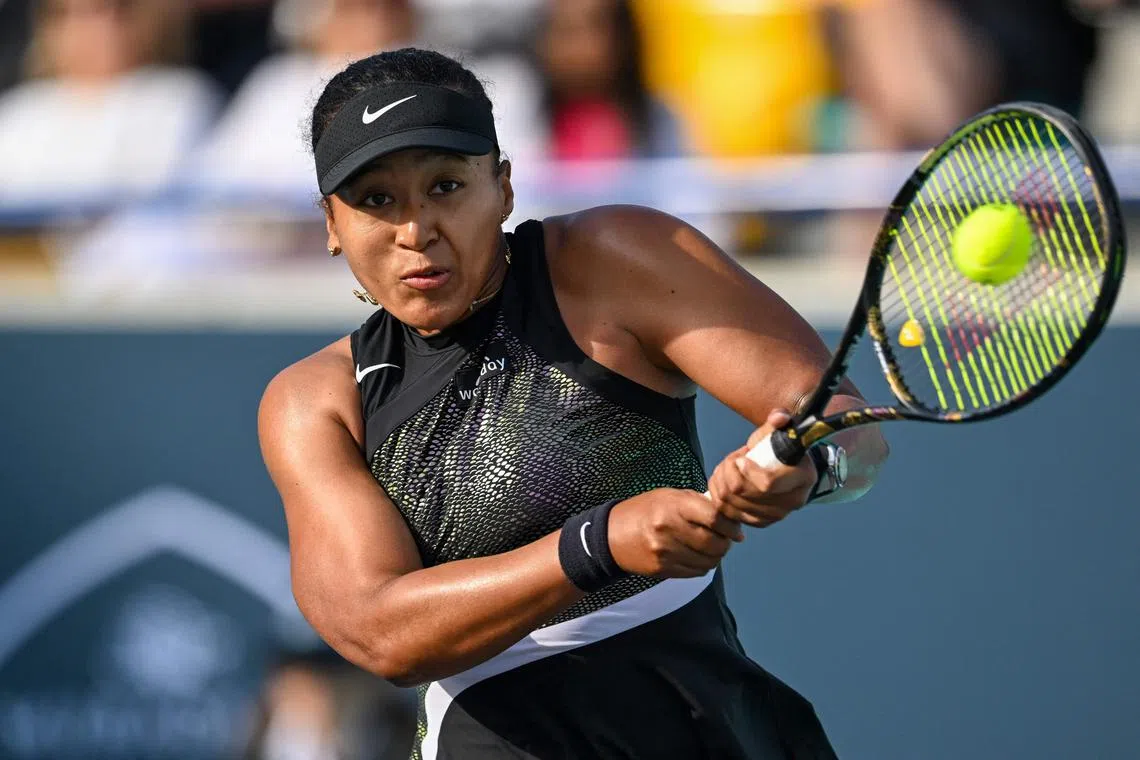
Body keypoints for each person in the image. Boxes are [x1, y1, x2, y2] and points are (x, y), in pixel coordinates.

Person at [258, 47, 889, 759]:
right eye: (377, 201)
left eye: (445, 186)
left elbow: (847, 427)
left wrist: (807, 469)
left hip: (705, 731)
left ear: (502, 187)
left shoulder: (616, 257)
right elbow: (381, 633)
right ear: (332, 226)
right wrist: (599, 544)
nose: (416, 230)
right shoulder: (316, 402)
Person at [0, 0, 219, 206]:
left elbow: (149, 196)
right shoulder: (17, 112)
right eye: (65, 15)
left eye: (99, 12)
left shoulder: (176, 98)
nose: (83, 30)